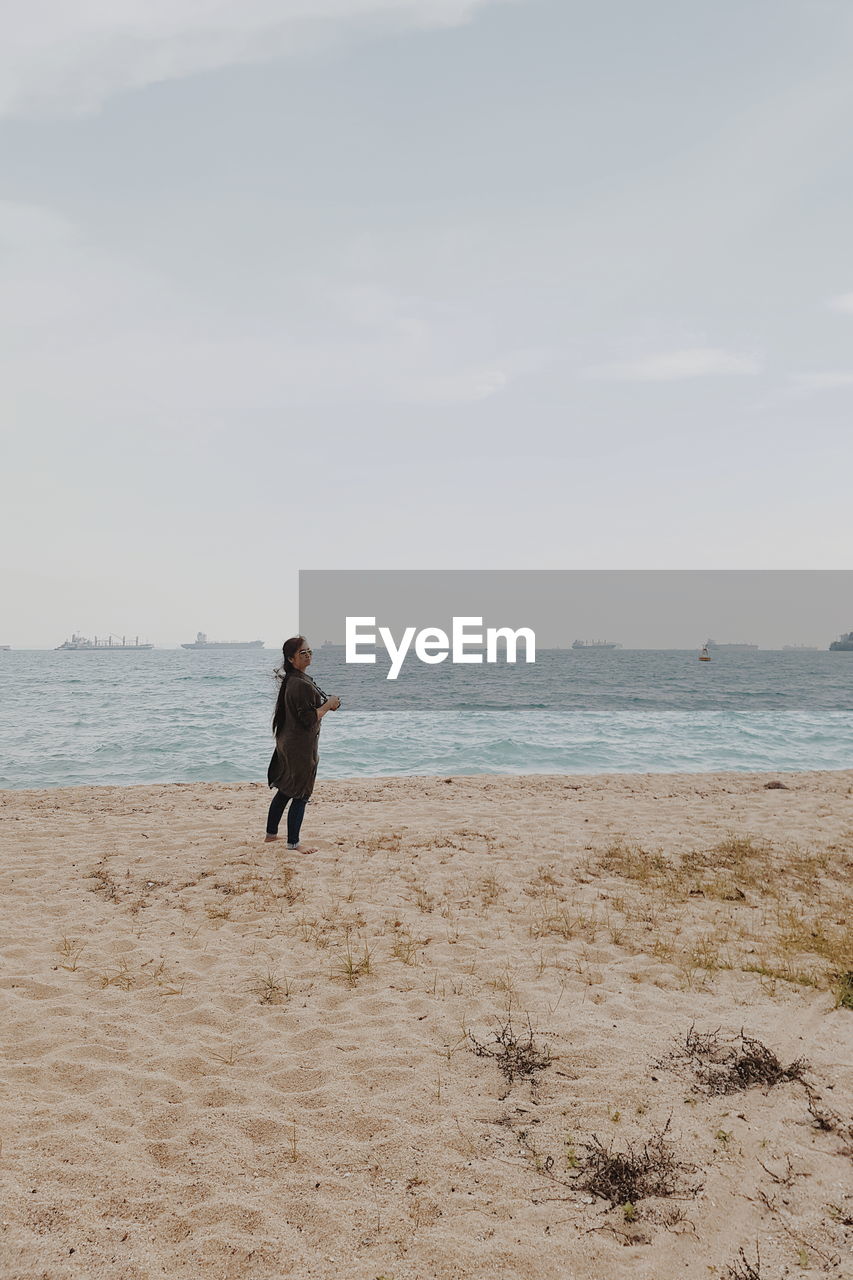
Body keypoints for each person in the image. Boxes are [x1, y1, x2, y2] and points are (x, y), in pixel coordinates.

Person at [265, 637, 340, 852]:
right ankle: (294, 844)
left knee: (286, 790)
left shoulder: (293, 679)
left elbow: (304, 713)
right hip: (300, 746)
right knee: (301, 793)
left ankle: (271, 836)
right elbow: (308, 718)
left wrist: (326, 706)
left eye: (309, 651)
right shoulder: (298, 683)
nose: (308, 655)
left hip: (288, 741)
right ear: (291, 658)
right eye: (302, 653)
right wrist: (328, 704)